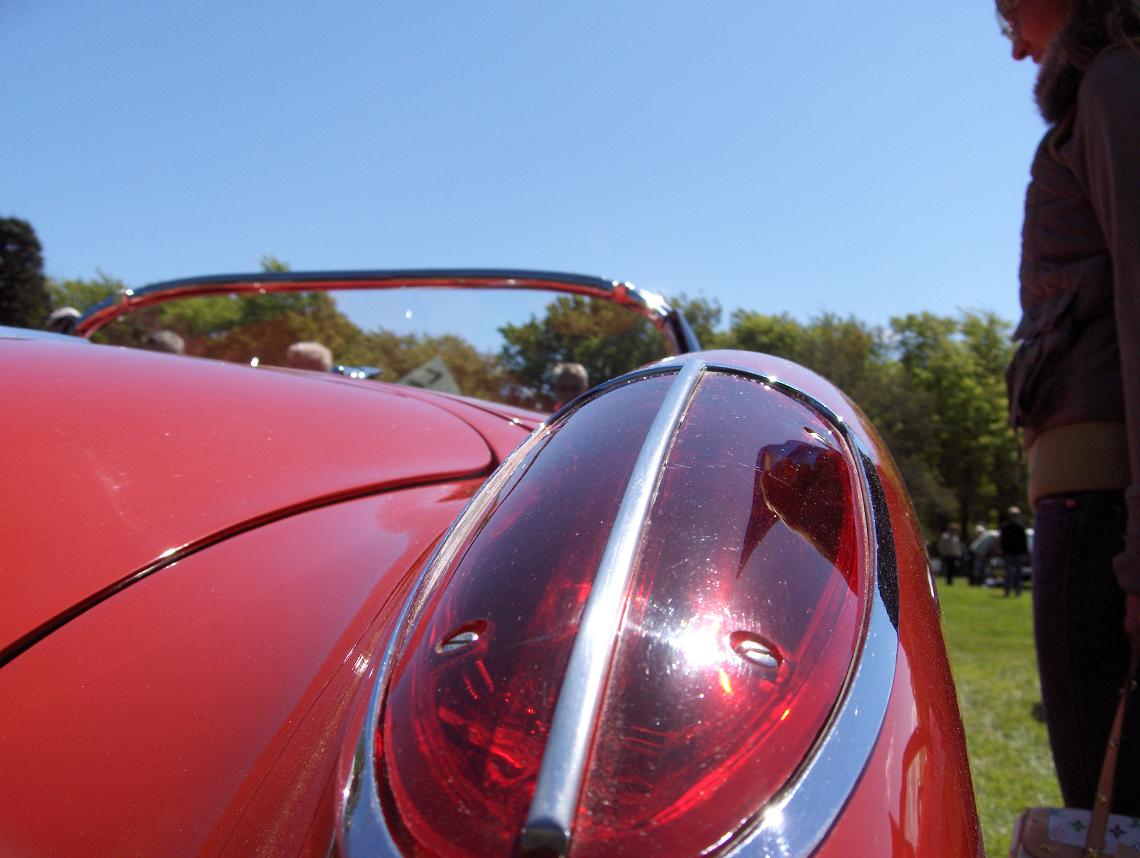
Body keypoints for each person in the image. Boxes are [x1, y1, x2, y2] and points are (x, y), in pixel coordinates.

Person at [997, 0, 1140, 814]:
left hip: (1104, 515)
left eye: (1009, 12)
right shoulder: (1103, 89)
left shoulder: (1119, 80)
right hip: (1086, 507)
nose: (1015, 47)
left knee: (1109, 809)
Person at [999, 507, 1029, 597]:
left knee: (1018, 573)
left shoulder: (1020, 527)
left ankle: (1018, 592)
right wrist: (1003, 551)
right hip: (1008, 553)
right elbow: (1002, 540)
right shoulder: (1006, 527)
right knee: (1008, 573)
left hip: (1018, 553)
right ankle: (1007, 591)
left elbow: (1024, 542)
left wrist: (1024, 552)